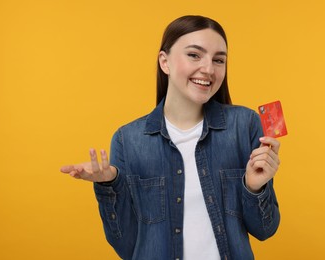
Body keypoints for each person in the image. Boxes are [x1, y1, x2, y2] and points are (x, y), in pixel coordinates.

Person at [61, 15, 281, 260]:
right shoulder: (128, 140)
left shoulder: (245, 125)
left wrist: (254, 186)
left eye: (218, 60)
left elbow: (265, 230)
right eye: (194, 55)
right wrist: (110, 187)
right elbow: (127, 247)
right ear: (164, 62)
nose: (208, 69)